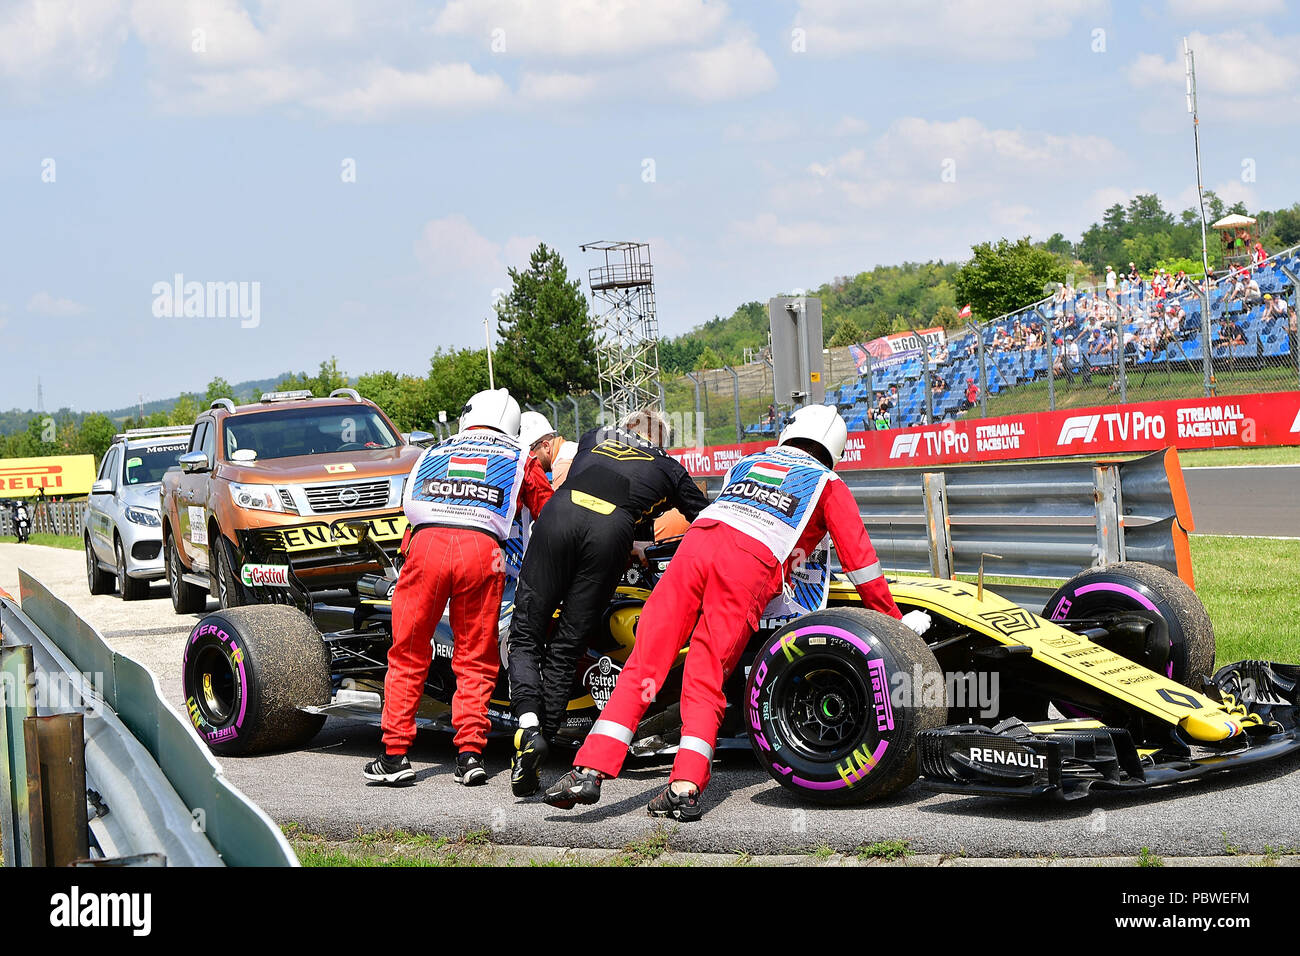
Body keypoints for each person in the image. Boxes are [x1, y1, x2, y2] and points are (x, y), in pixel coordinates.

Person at [541, 404, 928, 821]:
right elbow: (861, 563)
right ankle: (685, 786)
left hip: (695, 547)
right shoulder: (828, 483)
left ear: (789, 434)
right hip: (747, 565)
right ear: (833, 449)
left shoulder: (750, 461)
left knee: (645, 662)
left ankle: (588, 770)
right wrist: (892, 622)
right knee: (705, 672)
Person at [506, 408, 710, 796]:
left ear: (626, 429)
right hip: (611, 533)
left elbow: (594, 477)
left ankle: (529, 728)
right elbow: (705, 519)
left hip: (560, 516)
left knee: (527, 634)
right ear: (660, 440)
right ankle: (545, 745)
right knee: (568, 645)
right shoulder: (668, 465)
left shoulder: (594, 434)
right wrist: (651, 546)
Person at [363, 388, 553, 787]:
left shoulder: (433, 451)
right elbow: (550, 513)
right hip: (484, 552)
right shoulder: (520, 458)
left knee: (408, 651)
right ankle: (469, 756)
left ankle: (395, 756)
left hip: (425, 545)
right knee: (475, 657)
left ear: (467, 417)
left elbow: (410, 514)